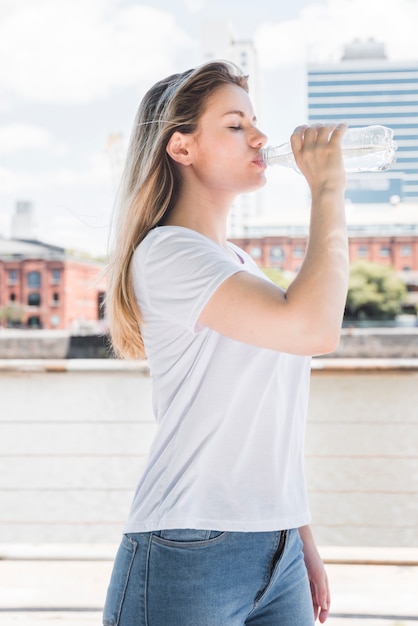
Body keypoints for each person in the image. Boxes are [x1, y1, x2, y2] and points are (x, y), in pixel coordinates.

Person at [103, 60, 348, 626]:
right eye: (236, 124)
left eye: (255, 121)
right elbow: (316, 328)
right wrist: (329, 189)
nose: (261, 137)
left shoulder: (239, 265)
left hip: (276, 546)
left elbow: (270, 419)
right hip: (188, 546)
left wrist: (298, 532)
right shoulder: (169, 254)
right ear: (182, 147)